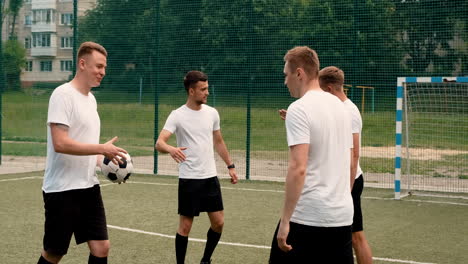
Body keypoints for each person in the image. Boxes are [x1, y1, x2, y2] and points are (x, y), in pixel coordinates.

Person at [38, 41, 127, 264]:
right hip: (62, 189)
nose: (102, 72)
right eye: (98, 66)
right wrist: (101, 148)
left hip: (88, 186)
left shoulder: (91, 99)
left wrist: (107, 161)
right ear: (82, 63)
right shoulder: (62, 95)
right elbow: (61, 143)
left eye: (104, 67)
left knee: (101, 247)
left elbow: (85, 146)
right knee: (54, 252)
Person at [269, 46, 354, 263]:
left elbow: (298, 167)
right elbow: (351, 159)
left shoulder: (299, 108)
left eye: (286, 75)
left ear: (299, 73)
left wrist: (285, 221)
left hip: (308, 218)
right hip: (342, 217)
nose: (285, 81)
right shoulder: (342, 107)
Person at [155, 70, 238, 264]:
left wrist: (230, 166)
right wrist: (171, 149)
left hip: (210, 178)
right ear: (191, 91)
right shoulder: (177, 115)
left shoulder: (212, 113)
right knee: (185, 227)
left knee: (219, 223)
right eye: (203, 89)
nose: (207, 92)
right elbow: (159, 143)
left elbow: (218, 141)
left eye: (207, 88)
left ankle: (206, 260)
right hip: (189, 179)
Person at [319, 66, 373, 264]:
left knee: (356, 237)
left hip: (349, 181)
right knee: (343, 237)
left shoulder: (348, 111)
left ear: (330, 89)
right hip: (339, 181)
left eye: (321, 90)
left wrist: (346, 190)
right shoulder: (336, 109)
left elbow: (354, 155)